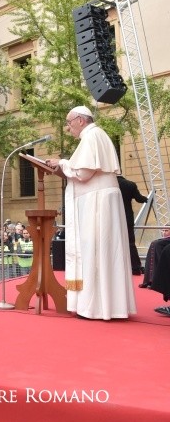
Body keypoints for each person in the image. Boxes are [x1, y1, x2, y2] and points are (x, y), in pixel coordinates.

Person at [45, 106, 136, 319]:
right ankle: (108, 306)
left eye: (69, 123)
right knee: (103, 251)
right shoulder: (97, 135)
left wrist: (61, 162)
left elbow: (84, 173)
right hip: (100, 199)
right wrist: (64, 168)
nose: (68, 128)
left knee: (95, 250)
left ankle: (95, 307)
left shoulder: (92, 136)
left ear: (80, 120)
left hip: (97, 202)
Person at [117, 174, 148, 275]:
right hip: (127, 218)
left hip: (113, 218)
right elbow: (139, 199)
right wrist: (145, 198)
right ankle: (136, 267)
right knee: (130, 242)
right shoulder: (130, 184)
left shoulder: (109, 185)